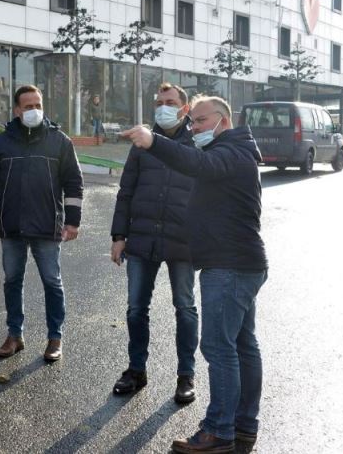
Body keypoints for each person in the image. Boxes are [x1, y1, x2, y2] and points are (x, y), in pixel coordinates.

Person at [125, 96, 268, 453]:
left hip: (230, 265)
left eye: (201, 121)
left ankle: (219, 431)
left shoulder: (231, 153)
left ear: (223, 119)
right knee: (242, 345)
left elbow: (197, 165)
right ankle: (243, 425)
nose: (195, 128)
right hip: (237, 262)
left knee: (220, 347)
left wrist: (154, 140)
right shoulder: (236, 151)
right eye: (193, 122)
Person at [0, 84, 84, 362]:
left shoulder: (59, 141)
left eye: (38, 105)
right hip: (11, 227)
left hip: (48, 226)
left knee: (52, 282)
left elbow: (74, 183)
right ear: (16, 110)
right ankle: (15, 335)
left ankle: (55, 338)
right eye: (28, 106)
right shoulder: (1, 143)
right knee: (12, 280)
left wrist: (72, 221)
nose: (34, 110)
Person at [110, 83, 198, 404]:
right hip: (142, 238)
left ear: (184, 108)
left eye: (170, 102)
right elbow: (126, 191)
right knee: (136, 309)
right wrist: (119, 236)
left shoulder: (196, 142)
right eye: (159, 102)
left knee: (185, 308)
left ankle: (186, 375)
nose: (163, 107)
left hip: (183, 240)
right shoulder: (140, 144)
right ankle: (136, 370)